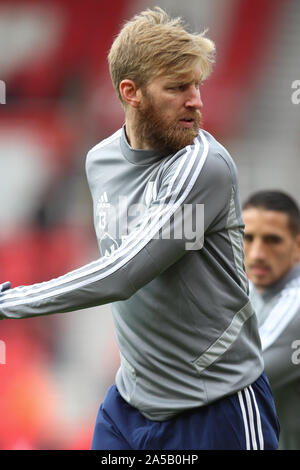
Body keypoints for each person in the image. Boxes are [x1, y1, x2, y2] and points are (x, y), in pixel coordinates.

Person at [0, 7, 279, 450]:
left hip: (216, 406)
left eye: (197, 86)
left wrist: (11, 302)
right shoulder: (99, 162)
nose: (196, 101)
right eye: (177, 88)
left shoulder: (204, 165)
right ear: (131, 93)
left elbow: (124, 273)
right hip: (131, 407)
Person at [243, 190, 300, 450]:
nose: (256, 254)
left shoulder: (296, 303)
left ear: (297, 246)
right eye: (248, 238)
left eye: (272, 240)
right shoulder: (245, 289)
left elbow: (238, 376)